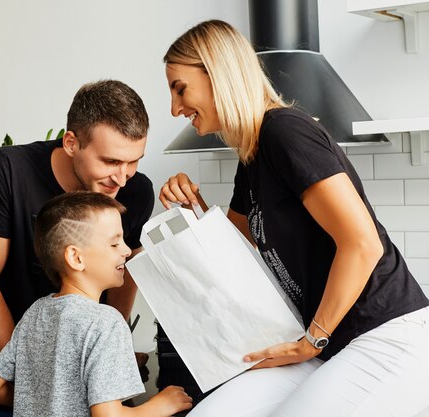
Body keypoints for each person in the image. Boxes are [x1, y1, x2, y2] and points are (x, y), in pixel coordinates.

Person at [159, 19, 429, 417]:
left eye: (180, 88)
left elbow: (363, 243)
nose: (174, 108)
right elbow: (233, 249)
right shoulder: (250, 156)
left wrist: (310, 342)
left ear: (218, 73)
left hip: (383, 332)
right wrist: (191, 205)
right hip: (326, 341)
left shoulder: (285, 132)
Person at [0, 80, 155, 416]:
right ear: (71, 142)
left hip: (78, 388)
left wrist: (111, 356)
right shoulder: (9, 171)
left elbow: (126, 273)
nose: (122, 178)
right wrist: (35, 377)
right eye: (109, 161)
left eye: (133, 161)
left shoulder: (136, 192)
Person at [0, 191, 193, 416]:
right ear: (76, 258)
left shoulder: (36, 311)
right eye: (114, 244)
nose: (127, 250)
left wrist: (44, 405)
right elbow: (108, 414)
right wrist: (160, 405)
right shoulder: (106, 321)